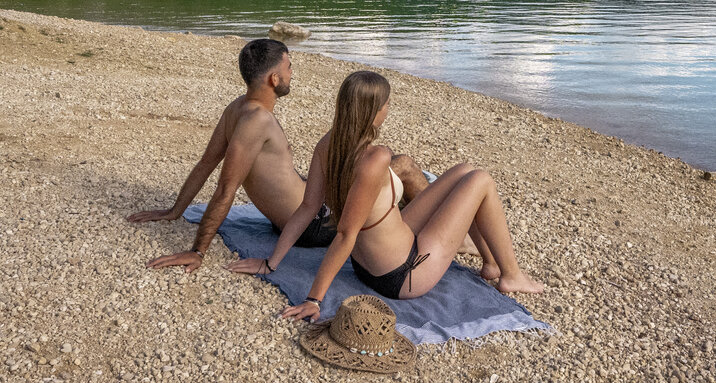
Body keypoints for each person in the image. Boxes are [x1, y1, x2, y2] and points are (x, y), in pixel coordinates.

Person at [228, 70, 542, 317]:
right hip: (404, 273)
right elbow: (345, 235)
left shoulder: (329, 144)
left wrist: (272, 262)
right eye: (387, 104)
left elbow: (307, 208)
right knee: (482, 180)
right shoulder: (374, 157)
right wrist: (314, 298)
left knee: (464, 171)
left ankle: (490, 263)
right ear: (376, 110)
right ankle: (511, 275)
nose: (388, 109)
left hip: (372, 264)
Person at [129, 39, 437, 270]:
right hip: (313, 223)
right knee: (404, 166)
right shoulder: (257, 122)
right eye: (288, 67)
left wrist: (174, 211)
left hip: (294, 215)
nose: (292, 72)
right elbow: (225, 187)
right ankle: (435, 222)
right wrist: (197, 251)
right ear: (274, 79)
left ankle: (415, 210)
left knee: (371, 171)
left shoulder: (237, 108)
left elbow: (206, 163)